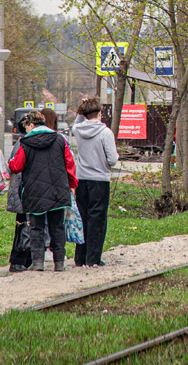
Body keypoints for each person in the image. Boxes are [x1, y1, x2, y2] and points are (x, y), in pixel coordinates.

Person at [7, 110, 76, 271]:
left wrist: (10, 162)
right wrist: (72, 185)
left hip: (34, 192)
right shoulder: (60, 139)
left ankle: (37, 262)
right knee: (57, 227)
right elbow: (70, 164)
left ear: (31, 124)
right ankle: (59, 263)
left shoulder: (26, 142)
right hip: (58, 191)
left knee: (36, 227)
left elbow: (16, 166)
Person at [71, 96, 119, 267]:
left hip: (82, 179)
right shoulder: (105, 133)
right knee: (97, 219)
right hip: (100, 180)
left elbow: (75, 125)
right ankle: (93, 258)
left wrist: (81, 107)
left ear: (84, 114)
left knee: (82, 217)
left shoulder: (78, 130)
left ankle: (80, 258)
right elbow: (112, 160)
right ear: (100, 113)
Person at [6, 113, 33, 273]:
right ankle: (18, 260)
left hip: (22, 190)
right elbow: (15, 165)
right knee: (24, 226)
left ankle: (23, 259)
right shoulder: (24, 143)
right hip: (22, 191)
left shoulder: (22, 142)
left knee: (24, 225)